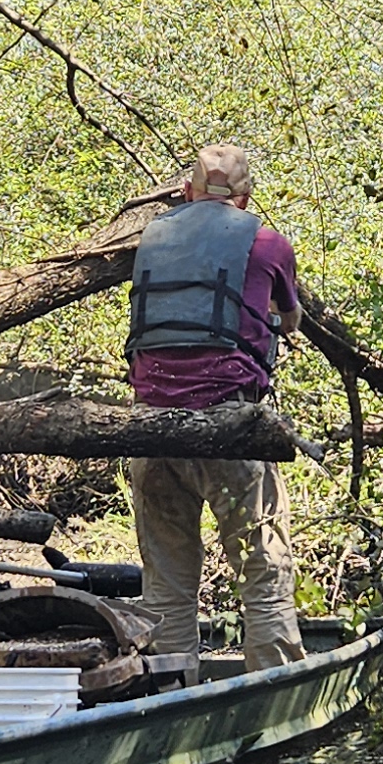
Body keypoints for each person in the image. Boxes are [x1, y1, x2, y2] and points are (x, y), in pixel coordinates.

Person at [122, 141, 307, 681]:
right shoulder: (269, 243)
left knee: (165, 588)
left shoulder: (152, 236)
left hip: (149, 432)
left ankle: (171, 693)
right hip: (230, 428)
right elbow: (290, 320)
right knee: (264, 572)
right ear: (246, 198)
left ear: (185, 191)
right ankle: (275, 695)